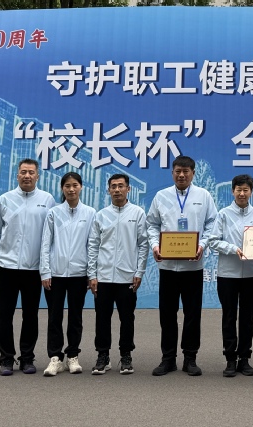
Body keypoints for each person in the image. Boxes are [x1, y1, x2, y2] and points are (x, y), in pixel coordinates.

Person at [146, 155, 217, 376]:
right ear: (172, 173)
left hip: (193, 267)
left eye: (186, 171)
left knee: (192, 314)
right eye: (178, 171)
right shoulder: (161, 196)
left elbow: (212, 223)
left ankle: (190, 358)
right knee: (167, 315)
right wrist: (155, 245)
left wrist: (202, 245)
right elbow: (152, 224)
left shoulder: (204, 196)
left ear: (193, 173)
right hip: (167, 267)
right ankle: (168, 359)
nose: (181, 175)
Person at [0, 158, 55, 376]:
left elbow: (51, 236)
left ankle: (27, 358)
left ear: (38, 176)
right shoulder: (5, 199)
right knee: (5, 315)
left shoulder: (47, 200)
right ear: (17, 175)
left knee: (31, 315)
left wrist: (47, 267)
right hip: (6, 266)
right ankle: (6, 359)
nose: (27, 176)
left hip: (33, 268)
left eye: (31, 172)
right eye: (23, 172)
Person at [87, 174, 149, 375]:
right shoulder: (101, 215)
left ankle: (126, 356)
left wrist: (139, 271)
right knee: (102, 318)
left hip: (127, 277)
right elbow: (93, 246)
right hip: (103, 277)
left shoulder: (138, 213)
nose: (117, 190)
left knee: (127, 318)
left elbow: (143, 244)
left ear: (128, 189)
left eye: (121, 186)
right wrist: (92, 274)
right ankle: (102, 356)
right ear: (108, 190)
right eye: (113, 186)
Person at [206, 174, 253, 377]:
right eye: (238, 190)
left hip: (251, 274)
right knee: (229, 317)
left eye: (245, 190)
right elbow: (213, 240)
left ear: (251, 192)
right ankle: (230, 359)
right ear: (233, 191)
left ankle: (245, 358)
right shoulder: (223, 214)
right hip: (228, 274)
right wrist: (233, 249)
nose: (242, 193)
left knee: (248, 318)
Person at [39, 172, 95, 377]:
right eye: (67, 186)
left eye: (75, 185)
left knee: (75, 317)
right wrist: (45, 271)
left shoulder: (90, 213)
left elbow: (92, 245)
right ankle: (55, 358)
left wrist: (91, 273)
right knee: (54, 316)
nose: (71, 189)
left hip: (79, 274)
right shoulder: (54, 213)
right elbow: (45, 244)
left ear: (81, 187)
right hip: (56, 274)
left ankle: (73, 356)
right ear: (62, 189)